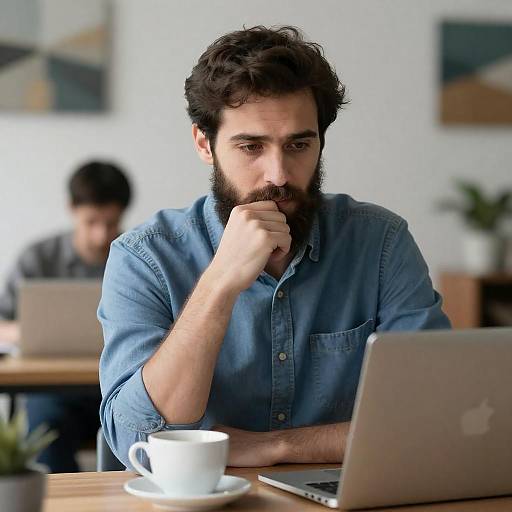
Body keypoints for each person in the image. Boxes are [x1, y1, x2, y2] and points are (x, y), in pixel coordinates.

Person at [99, 26, 450, 470]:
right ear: (205, 144)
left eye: (299, 144)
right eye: (251, 146)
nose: (279, 174)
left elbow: (431, 417)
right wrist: (220, 283)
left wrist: (275, 447)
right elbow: (138, 438)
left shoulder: (380, 243)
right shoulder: (144, 257)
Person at [0, 160, 132, 472]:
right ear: (71, 208)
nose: (102, 235)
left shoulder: (136, 255)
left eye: (111, 223)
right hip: (56, 392)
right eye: (92, 222)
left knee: (141, 416)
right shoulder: (38, 257)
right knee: (46, 420)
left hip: (120, 384)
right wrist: (30, 331)